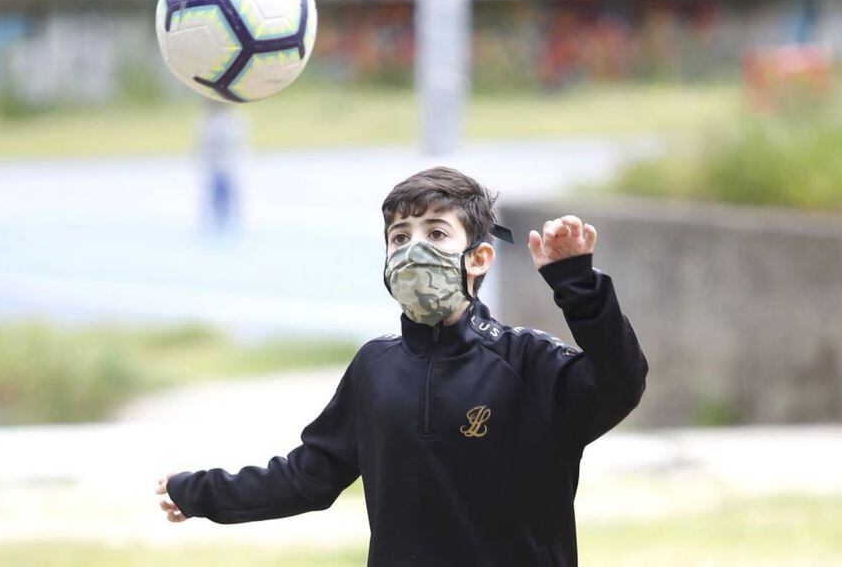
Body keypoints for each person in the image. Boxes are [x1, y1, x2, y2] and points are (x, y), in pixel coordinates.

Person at [154, 166, 649, 566]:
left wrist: (576, 284)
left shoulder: (529, 362)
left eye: (436, 233)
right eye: (399, 237)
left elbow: (622, 381)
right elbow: (307, 477)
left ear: (479, 258)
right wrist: (200, 492)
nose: (413, 249)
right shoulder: (375, 368)